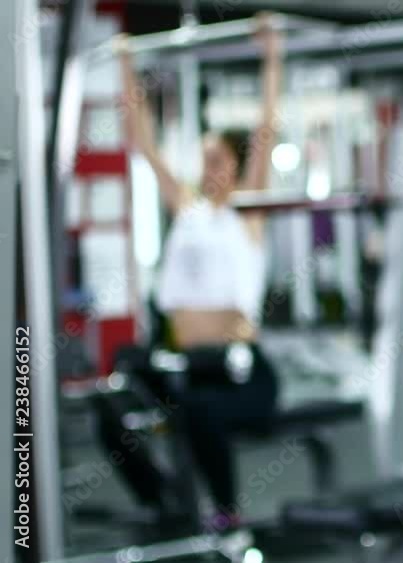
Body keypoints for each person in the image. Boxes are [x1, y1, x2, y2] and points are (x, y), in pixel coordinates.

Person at [98, 14, 283, 532]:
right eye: (205, 159)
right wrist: (125, 62)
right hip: (183, 363)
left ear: (237, 165)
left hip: (239, 373)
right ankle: (164, 503)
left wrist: (272, 56)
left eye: (218, 159)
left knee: (200, 412)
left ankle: (226, 513)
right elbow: (143, 141)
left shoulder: (246, 214)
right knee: (110, 404)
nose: (210, 169)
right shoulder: (187, 208)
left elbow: (266, 133)